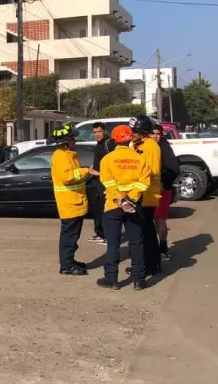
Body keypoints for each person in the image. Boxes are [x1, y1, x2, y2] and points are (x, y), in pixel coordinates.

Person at [98, 125, 152, 290]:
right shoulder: (140, 159)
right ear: (130, 139)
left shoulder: (107, 159)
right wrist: (131, 199)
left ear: (114, 140)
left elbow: (107, 182)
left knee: (113, 243)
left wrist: (120, 199)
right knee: (136, 242)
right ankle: (138, 280)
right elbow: (144, 183)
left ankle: (112, 279)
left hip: (113, 206)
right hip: (134, 206)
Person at [49, 123, 89, 276]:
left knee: (73, 235)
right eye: (73, 139)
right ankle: (66, 265)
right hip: (69, 203)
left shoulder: (68, 154)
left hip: (74, 202)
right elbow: (67, 177)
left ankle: (69, 261)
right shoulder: (61, 156)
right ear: (66, 141)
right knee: (69, 236)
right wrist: (86, 171)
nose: (75, 142)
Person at [129, 115, 163, 275]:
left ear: (143, 131)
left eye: (134, 131)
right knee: (145, 231)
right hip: (140, 194)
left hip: (147, 195)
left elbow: (153, 170)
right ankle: (149, 264)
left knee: (146, 232)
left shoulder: (151, 147)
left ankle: (150, 265)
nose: (132, 133)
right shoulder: (137, 144)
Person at [151, 123, 180, 259]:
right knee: (154, 219)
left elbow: (173, 169)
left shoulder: (164, 148)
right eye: (153, 133)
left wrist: (164, 184)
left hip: (163, 189)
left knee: (159, 218)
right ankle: (157, 248)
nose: (155, 136)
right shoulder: (151, 147)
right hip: (151, 189)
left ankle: (163, 249)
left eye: (158, 134)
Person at [87, 122, 108, 245]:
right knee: (97, 209)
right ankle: (99, 233)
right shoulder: (99, 144)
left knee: (103, 210)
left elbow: (113, 165)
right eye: (95, 132)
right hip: (96, 183)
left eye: (99, 132)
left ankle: (105, 235)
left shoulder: (108, 143)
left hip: (104, 182)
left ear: (104, 131)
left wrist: (98, 173)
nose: (97, 134)